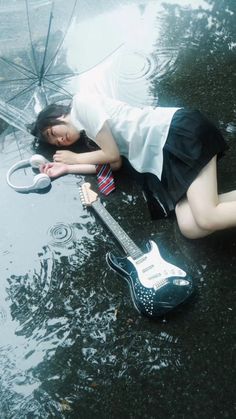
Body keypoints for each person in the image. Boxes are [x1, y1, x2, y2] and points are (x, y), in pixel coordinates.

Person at [31, 92, 236, 239]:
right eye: (54, 143)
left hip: (177, 134)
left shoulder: (81, 103)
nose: (59, 141)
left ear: (56, 116)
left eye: (52, 133)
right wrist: (67, 168)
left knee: (207, 217)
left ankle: (211, 209)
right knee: (189, 225)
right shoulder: (90, 133)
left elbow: (110, 155)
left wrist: (75, 158)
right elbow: (113, 164)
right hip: (166, 155)